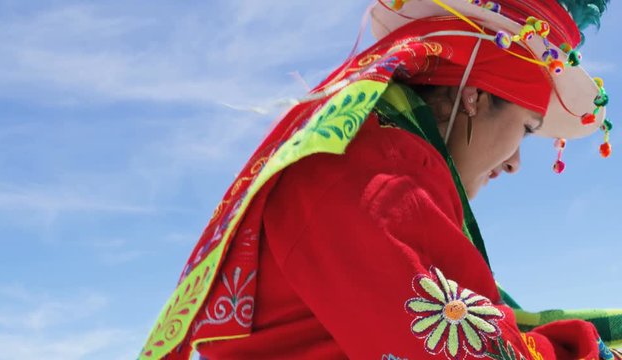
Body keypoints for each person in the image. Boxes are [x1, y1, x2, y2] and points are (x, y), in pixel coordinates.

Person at [139, 0, 622, 359]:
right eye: (526, 128)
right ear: (475, 94)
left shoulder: (373, 159)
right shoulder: (370, 175)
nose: (515, 162)